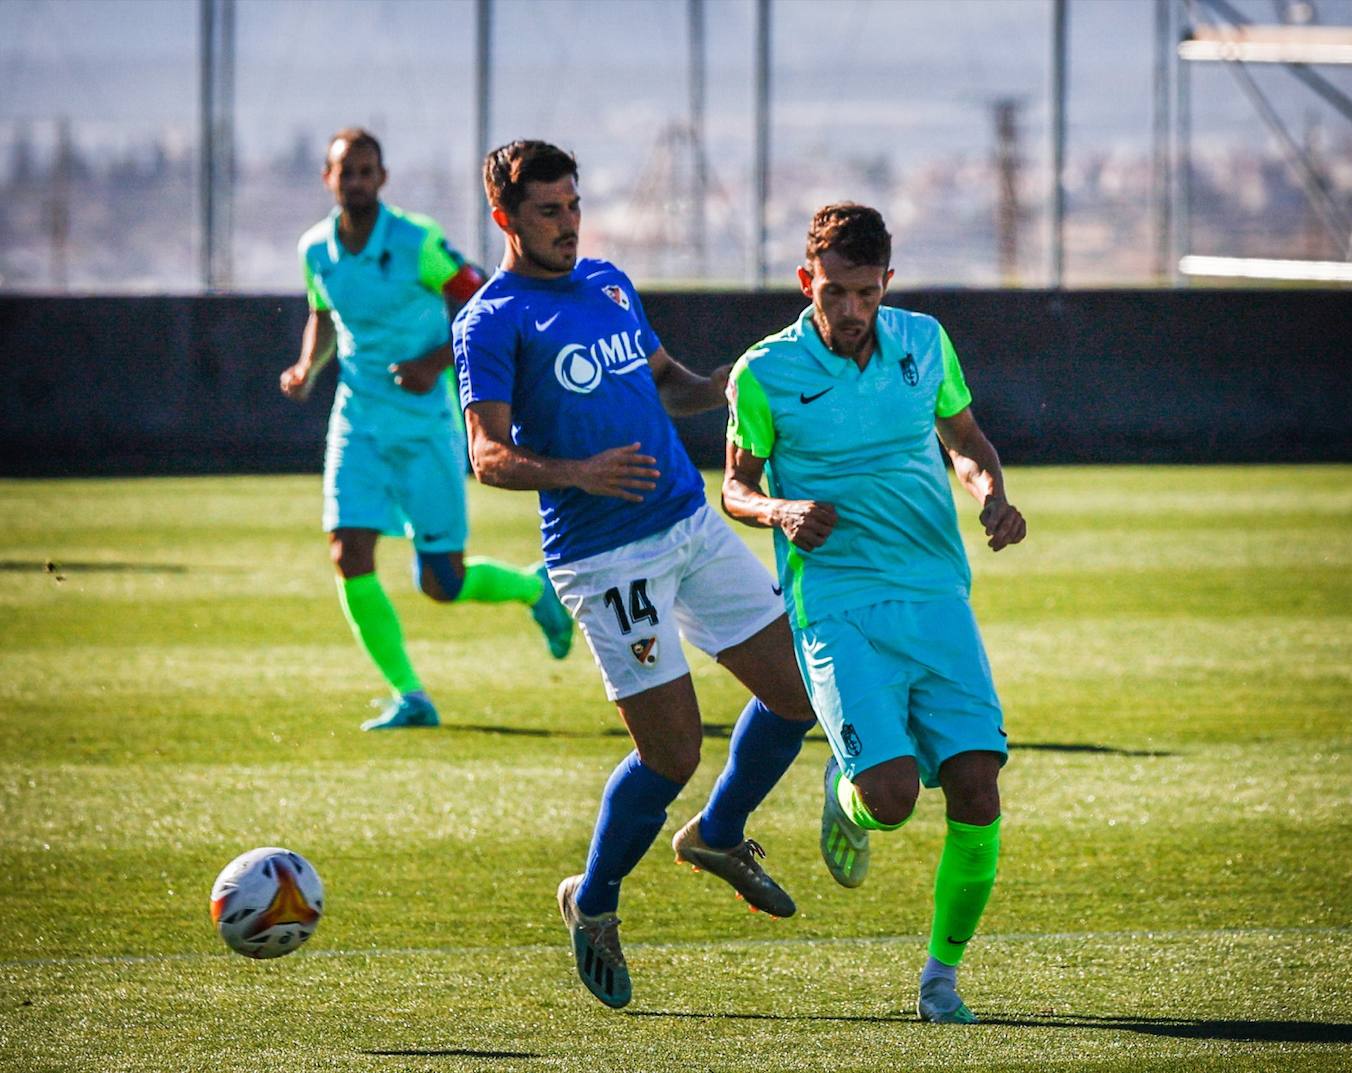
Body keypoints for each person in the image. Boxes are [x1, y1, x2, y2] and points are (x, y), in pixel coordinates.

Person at [453, 139, 817, 1009]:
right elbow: (486, 455)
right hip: (602, 554)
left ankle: (719, 834)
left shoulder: (610, 282)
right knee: (674, 750)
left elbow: (673, 385)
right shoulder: (490, 319)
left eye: (574, 204)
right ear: (505, 218)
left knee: (801, 691)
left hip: (689, 525)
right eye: (548, 210)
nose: (568, 223)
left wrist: (743, 377)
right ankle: (595, 898)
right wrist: (575, 472)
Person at [720, 203, 1027, 1024]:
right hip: (837, 604)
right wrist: (779, 510)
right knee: (889, 798)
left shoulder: (925, 343)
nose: (850, 311)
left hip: (935, 596)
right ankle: (846, 790)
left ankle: (940, 979)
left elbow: (964, 437)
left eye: (865, 292)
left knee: (977, 786)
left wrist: (991, 494)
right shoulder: (763, 371)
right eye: (833, 293)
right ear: (804, 282)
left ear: (887, 283)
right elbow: (735, 485)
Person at [280, 128, 573, 732]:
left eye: (366, 171)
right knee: (347, 551)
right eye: (345, 172)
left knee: (442, 581)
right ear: (327, 179)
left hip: (425, 427)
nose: (356, 181)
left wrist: (433, 362)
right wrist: (309, 366)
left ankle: (531, 590)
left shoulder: (415, 242)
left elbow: (480, 300)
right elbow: (321, 314)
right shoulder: (316, 251)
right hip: (357, 425)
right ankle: (410, 695)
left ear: (382, 178)